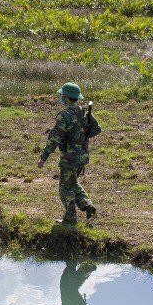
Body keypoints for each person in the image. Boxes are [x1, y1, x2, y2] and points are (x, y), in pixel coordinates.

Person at [38, 82, 101, 225]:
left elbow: (54, 138)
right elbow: (97, 130)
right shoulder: (84, 112)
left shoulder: (64, 115)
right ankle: (87, 205)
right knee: (72, 182)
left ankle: (70, 218)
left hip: (70, 158)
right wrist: (81, 135)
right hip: (83, 156)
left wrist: (43, 158)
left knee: (65, 188)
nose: (61, 97)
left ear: (66, 97)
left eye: (62, 95)